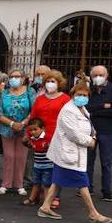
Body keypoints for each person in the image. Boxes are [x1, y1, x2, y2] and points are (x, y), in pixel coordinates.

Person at [37, 80, 112, 223]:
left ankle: (45, 207)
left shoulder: (83, 109)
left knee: (58, 181)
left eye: (85, 95)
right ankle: (93, 213)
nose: (82, 97)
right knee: (82, 182)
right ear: (73, 95)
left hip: (72, 152)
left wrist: (94, 136)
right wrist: (90, 141)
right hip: (68, 153)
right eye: (79, 94)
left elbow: (90, 127)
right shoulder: (68, 110)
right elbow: (73, 134)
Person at [29, 70, 70, 208]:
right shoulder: (40, 99)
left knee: (55, 168)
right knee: (39, 167)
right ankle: (37, 195)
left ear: (59, 83)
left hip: (58, 138)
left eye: (53, 81)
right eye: (47, 81)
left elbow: (69, 118)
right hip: (40, 139)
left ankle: (55, 196)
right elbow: (33, 117)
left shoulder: (65, 99)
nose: (50, 84)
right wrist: (29, 135)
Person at [85, 65, 112, 202]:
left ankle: (107, 191)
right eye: (95, 75)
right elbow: (86, 109)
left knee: (106, 162)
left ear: (106, 76)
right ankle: (87, 188)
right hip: (91, 130)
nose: (98, 77)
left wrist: (96, 110)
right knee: (89, 161)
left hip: (108, 131)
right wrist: (103, 106)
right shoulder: (90, 90)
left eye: (101, 75)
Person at [0, 68, 33, 195]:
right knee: (9, 156)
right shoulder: (4, 93)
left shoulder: (30, 92)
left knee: (22, 157)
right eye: (12, 77)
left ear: (23, 78)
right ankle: (6, 183)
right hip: (7, 129)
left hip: (24, 128)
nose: (14, 79)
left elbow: (34, 111)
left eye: (17, 76)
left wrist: (22, 123)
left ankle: (19, 184)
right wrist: (11, 123)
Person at [23, 117, 53, 206]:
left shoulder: (47, 138)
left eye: (35, 129)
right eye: (31, 130)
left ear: (42, 128)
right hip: (37, 165)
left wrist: (49, 146)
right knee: (36, 183)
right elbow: (30, 146)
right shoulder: (32, 138)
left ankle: (46, 203)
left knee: (46, 185)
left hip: (48, 166)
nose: (33, 132)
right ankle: (32, 199)